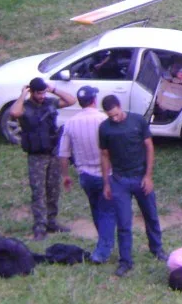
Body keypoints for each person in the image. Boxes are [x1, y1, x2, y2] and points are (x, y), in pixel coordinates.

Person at [99, 94, 167, 276]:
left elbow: (149, 147)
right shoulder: (105, 129)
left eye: (116, 114)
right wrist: (106, 183)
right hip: (120, 180)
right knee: (123, 222)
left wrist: (148, 176)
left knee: (151, 215)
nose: (114, 118)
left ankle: (157, 249)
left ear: (120, 107)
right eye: (110, 116)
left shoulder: (137, 121)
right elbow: (105, 155)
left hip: (140, 177)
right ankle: (125, 260)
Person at [9, 77, 77, 241]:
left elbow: (71, 100)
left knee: (53, 189)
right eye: (38, 93)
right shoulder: (25, 107)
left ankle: (51, 221)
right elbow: (14, 113)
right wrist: (22, 95)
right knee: (38, 192)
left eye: (43, 93)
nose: (41, 96)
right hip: (36, 156)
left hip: (52, 152)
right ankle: (40, 227)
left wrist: (53, 89)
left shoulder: (50, 102)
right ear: (31, 92)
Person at [57, 85, 114, 263]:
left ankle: (103, 243)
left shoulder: (71, 123)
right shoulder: (103, 120)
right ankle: (103, 250)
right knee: (107, 212)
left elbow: (63, 154)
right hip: (106, 175)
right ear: (94, 100)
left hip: (85, 176)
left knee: (96, 209)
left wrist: (65, 175)